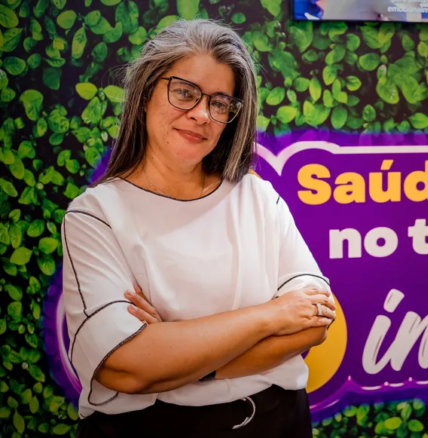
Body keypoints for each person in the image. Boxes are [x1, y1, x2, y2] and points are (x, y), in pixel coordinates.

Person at [61, 19, 336, 438]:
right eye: (185, 92)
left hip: (277, 422)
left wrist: (174, 352)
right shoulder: (96, 215)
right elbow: (126, 367)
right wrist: (271, 315)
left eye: (221, 103)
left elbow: (313, 321)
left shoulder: (258, 198)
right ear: (145, 94)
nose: (202, 115)